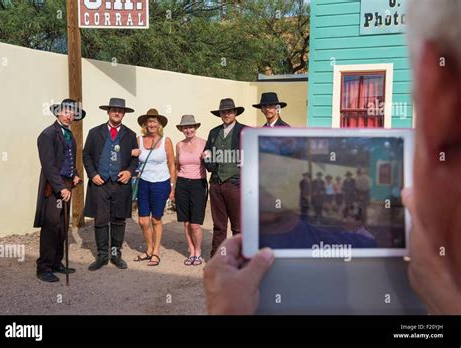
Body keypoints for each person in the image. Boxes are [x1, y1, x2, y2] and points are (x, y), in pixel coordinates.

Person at [203, 0, 461, 315]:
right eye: (265, 108)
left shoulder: (285, 134)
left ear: (438, 96)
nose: (268, 111)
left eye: (271, 107)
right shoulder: (245, 135)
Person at [83, 98, 138, 271]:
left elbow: (135, 158)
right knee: (100, 219)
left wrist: (129, 172)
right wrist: (92, 175)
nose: (117, 113)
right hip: (100, 183)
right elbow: (86, 155)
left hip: (120, 183)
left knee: (118, 219)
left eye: (120, 111)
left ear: (123, 114)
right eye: (114, 110)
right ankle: (101, 256)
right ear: (108, 112)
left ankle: (115, 254)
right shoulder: (94, 132)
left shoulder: (130, 135)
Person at [34, 99, 85, 282]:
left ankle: (56, 262)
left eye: (72, 113)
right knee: (51, 225)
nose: (69, 116)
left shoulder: (69, 134)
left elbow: (69, 159)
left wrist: (76, 175)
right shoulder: (48, 135)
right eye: (65, 112)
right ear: (58, 113)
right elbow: (48, 166)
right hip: (54, 187)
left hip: (67, 184)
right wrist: (61, 187)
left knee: (63, 225)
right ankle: (44, 267)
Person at [202, 98, 247, 257]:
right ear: (220, 114)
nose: (226, 114)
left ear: (235, 113)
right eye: (223, 112)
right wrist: (209, 163)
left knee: (238, 226)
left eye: (229, 111)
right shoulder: (214, 132)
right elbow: (207, 152)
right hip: (215, 183)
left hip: (235, 183)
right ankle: (217, 259)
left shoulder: (244, 131)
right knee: (219, 225)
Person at [133, 109, 176, 267]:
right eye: (149, 121)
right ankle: (149, 249)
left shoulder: (166, 140)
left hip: (161, 184)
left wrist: (172, 187)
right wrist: (132, 153)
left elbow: (172, 165)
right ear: (145, 124)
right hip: (144, 183)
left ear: (159, 125)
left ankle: (156, 252)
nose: (152, 124)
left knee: (156, 219)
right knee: (143, 221)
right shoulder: (139, 140)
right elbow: (133, 161)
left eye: (154, 121)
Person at [174, 115, 207, 266]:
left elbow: (210, 163)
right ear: (181, 129)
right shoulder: (179, 145)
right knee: (186, 222)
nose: (188, 130)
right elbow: (177, 167)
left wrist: (207, 158)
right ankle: (191, 252)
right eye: (185, 127)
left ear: (196, 127)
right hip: (182, 184)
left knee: (195, 224)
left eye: (191, 127)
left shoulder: (204, 143)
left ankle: (198, 252)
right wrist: (173, 187)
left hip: (198, 184)